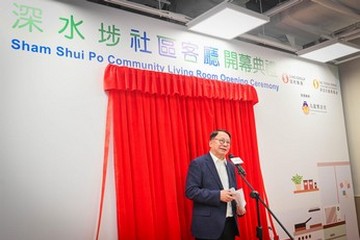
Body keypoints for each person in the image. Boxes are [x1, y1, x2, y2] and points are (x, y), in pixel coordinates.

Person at [185, 129, 246, 240]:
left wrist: (239, 206)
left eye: (228, 142)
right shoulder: (198, 164)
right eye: (221, 141)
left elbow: (233, 190)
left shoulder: (231, 167)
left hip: (229, 222)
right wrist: (218, 195)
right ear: (211, 143)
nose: (225, 144)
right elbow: (191, 191)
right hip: (208, 225)